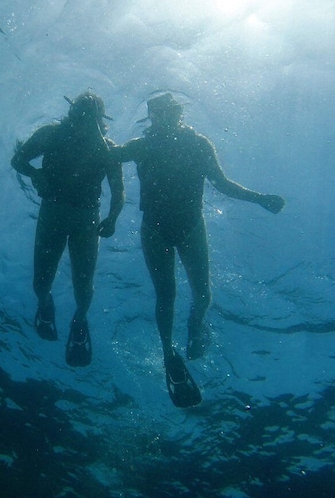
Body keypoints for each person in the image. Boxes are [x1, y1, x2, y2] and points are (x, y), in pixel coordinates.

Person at [112, 93, 284, 407]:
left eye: (169, 111)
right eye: (160, 113)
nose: (165, 117)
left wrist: (260, 198)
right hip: (157, 229)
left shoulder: (197, 144)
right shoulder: (143, 145)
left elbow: (222, 183)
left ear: (177, 114)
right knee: (170, 295)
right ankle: (169, 355)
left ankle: (194, 327)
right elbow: (109, 155)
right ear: (154, 116)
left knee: (202, 295)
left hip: (185, 227)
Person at [11, 91, 125, 367]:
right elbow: (18, 160)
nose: (83, 119)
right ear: (72, 112)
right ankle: (45, 304)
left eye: (89, 114)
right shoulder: (51, 133)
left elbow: (118, 190)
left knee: (83, 284)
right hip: (53, 210)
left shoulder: (106, 147)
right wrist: (35, 174)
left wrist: (112, 218)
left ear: (99, 120)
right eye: (80, 112)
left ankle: (80, 318)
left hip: (86, 218)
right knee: (41, 281)